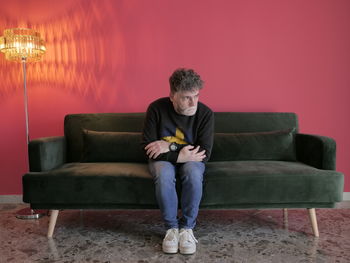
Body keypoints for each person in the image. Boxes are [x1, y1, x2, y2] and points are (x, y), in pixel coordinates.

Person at [142, 68, 214, 254]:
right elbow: (148, 148)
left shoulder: (205, 114)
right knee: (164, 173)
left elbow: (204, 152)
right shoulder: (156, 109)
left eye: (196, 96)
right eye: (186, 97)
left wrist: (171, 148)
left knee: (193, 172)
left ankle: (187, 229)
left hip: (190, 159)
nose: (193, 102)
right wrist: (179, 154)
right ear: (172, 95)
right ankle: (172, 229)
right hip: (163, 161)